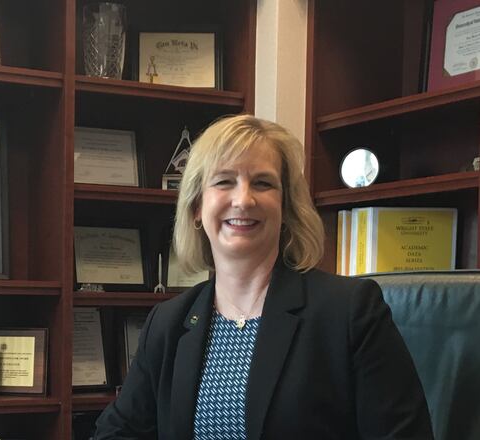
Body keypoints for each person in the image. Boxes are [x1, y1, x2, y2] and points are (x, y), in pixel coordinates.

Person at [93, 115, 433, 439]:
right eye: (224, 181)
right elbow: (116, 433)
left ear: (285, 207)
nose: (243, 199)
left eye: (263, 183)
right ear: (197, 207)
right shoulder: (168, 323)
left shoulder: (349, 312)